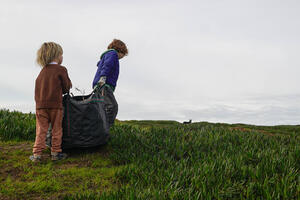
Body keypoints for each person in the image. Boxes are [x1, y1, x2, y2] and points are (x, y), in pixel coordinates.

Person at [30, 42, 72, 162]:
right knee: (56, 129)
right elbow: (66, 87)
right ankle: (55, 152)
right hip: (56, 106)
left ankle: (37, 154)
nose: (62, 57)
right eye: (61, 55)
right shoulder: (61, 69)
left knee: (41, 130)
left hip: (40, 106)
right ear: (57, 56)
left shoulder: (42, 72)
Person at [93, 39, 128, 127]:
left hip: (100, 85)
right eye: (122, 55)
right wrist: (103, 77)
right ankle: (105, 128)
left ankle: (99, 126)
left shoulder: (107, 56)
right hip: (104, 84)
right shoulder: (113, 54)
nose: (121, 57)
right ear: (120, 50)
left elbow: (102, 64)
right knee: (112, 107)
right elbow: (107, 65)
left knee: (102, 107)